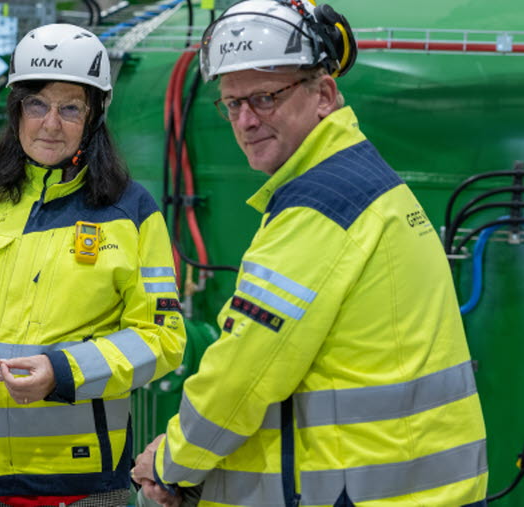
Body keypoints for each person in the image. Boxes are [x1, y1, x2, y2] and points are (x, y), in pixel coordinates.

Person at [132, 1, 488, 505]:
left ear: (324, 94)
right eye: (232, 104)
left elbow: (243, 376)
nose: (246, 121)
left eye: (265, 98)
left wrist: (171, 463)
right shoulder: (364, 182)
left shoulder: (322, 206)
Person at [0, 23, 187, 507]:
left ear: (94, 115)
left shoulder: (131, 212)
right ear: (16, 111)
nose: (50, 124)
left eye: (70, 107)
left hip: (78, 479)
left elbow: (162, 338)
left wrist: (63, 370)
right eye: (36, 105)